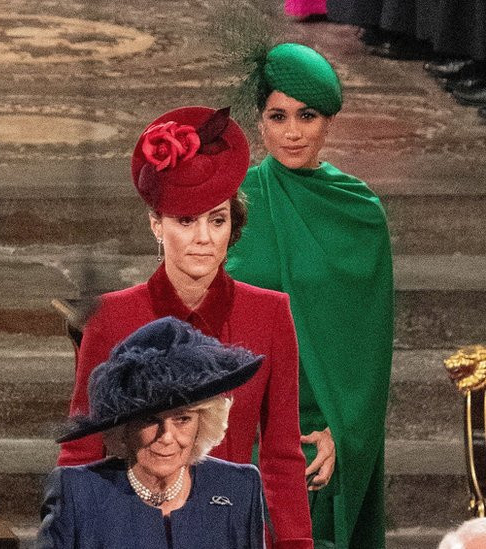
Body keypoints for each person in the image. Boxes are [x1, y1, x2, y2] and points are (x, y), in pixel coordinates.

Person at [57, 106, 312, 548]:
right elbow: (82, 451)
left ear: (233, 225)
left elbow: (282, 457)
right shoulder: (112, 317)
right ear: (156, 224)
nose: (203, 238)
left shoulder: (270, 314)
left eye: (217, 220)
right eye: (185, 220)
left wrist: (294, 545)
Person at [226, 43, 394, 548]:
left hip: (318, 434)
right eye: (278, 116)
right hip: (238, 421)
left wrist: (342, 434)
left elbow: (369, 352)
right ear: (259, 123)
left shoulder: (360, 213)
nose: (293, 132)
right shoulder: (234, 203)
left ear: (329, 123)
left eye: (308, 115)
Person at [40, 316, 267, 548]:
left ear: (204, 422)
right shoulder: (77, 492)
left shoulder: (238, 486)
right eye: (150, 420)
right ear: (123, 428)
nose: (166, 436)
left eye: (183, 419)